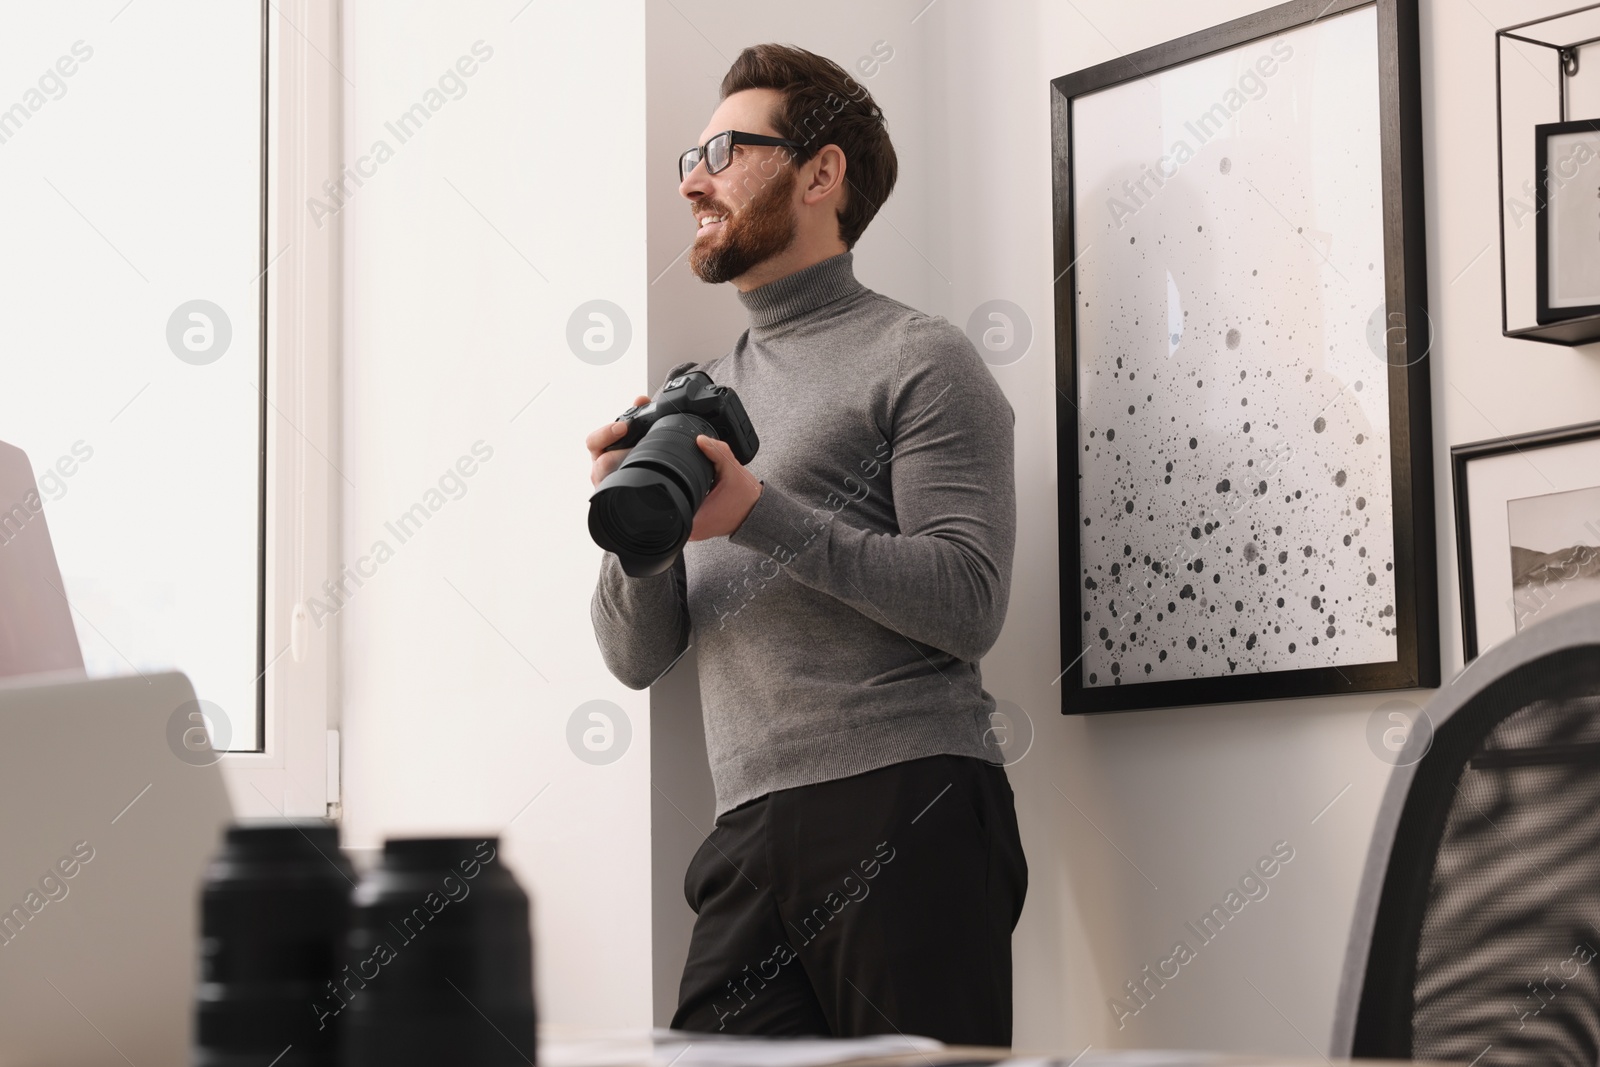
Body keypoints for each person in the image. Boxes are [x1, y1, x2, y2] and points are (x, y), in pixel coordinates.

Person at [587, 43, 1025, 1045]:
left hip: (906, 797)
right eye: (688, 157)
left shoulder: (921, 357)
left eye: (724, 150)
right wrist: (631, 530)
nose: (694, 179)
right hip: (746, 820)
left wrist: (756, 513)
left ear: (821, 174)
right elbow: (634, 654)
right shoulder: (690, 398)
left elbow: (969, 598)